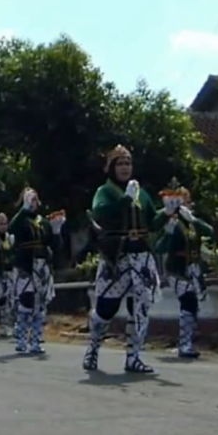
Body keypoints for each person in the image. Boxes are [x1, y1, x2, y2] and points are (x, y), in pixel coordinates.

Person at [81, 145, 162, 374]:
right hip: (117, 257)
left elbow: (152, 222)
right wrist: (124, 200)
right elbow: (102, 214)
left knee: (140, 307)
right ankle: (93, 348)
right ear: (112, 168)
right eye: (120, 164)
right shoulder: (105, 192)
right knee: (106, 308)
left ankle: (133, 357)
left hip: (142, 257)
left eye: (128, 163)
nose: (125, 168)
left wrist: (166, 214)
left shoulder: (140, 192)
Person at [155, 180, 212, 359]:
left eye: (187, 200)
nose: (185, 203)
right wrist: (169, 233)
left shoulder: (192, 221)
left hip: (193, 268)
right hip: (177, 269)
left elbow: (210, 231)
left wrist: (194, 219)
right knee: (188, 302)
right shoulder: (171, 222)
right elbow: (159, 247)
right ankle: (185, 345)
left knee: (193, 306)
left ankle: (186, 342)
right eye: (181, 200)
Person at [7, 188, 63, 355]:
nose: (33, 203)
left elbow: (55, 246)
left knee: (40, 305)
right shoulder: (21, 219)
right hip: (25, 265)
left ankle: (37, 340)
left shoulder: (43, 222)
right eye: (29, 199)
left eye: (35, 199)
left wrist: (56, 231)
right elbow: (11, 228)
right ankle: (22, 338)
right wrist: (23, 209)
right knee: (26, 301)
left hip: (42, 266)